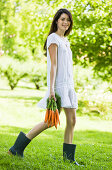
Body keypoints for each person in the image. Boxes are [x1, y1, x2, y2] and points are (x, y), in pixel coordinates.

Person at [8, 8, 80, 166]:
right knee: (50, 121)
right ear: (56, 21)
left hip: (68, 86)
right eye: (62, 19)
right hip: (58, 86)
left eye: (68, 20)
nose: (65, 22)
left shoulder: (65, 40)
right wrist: (52, 89)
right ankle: (16, 148)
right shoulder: (53, 38)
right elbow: (53, 65)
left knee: (72, 120)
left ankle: (68, 159)